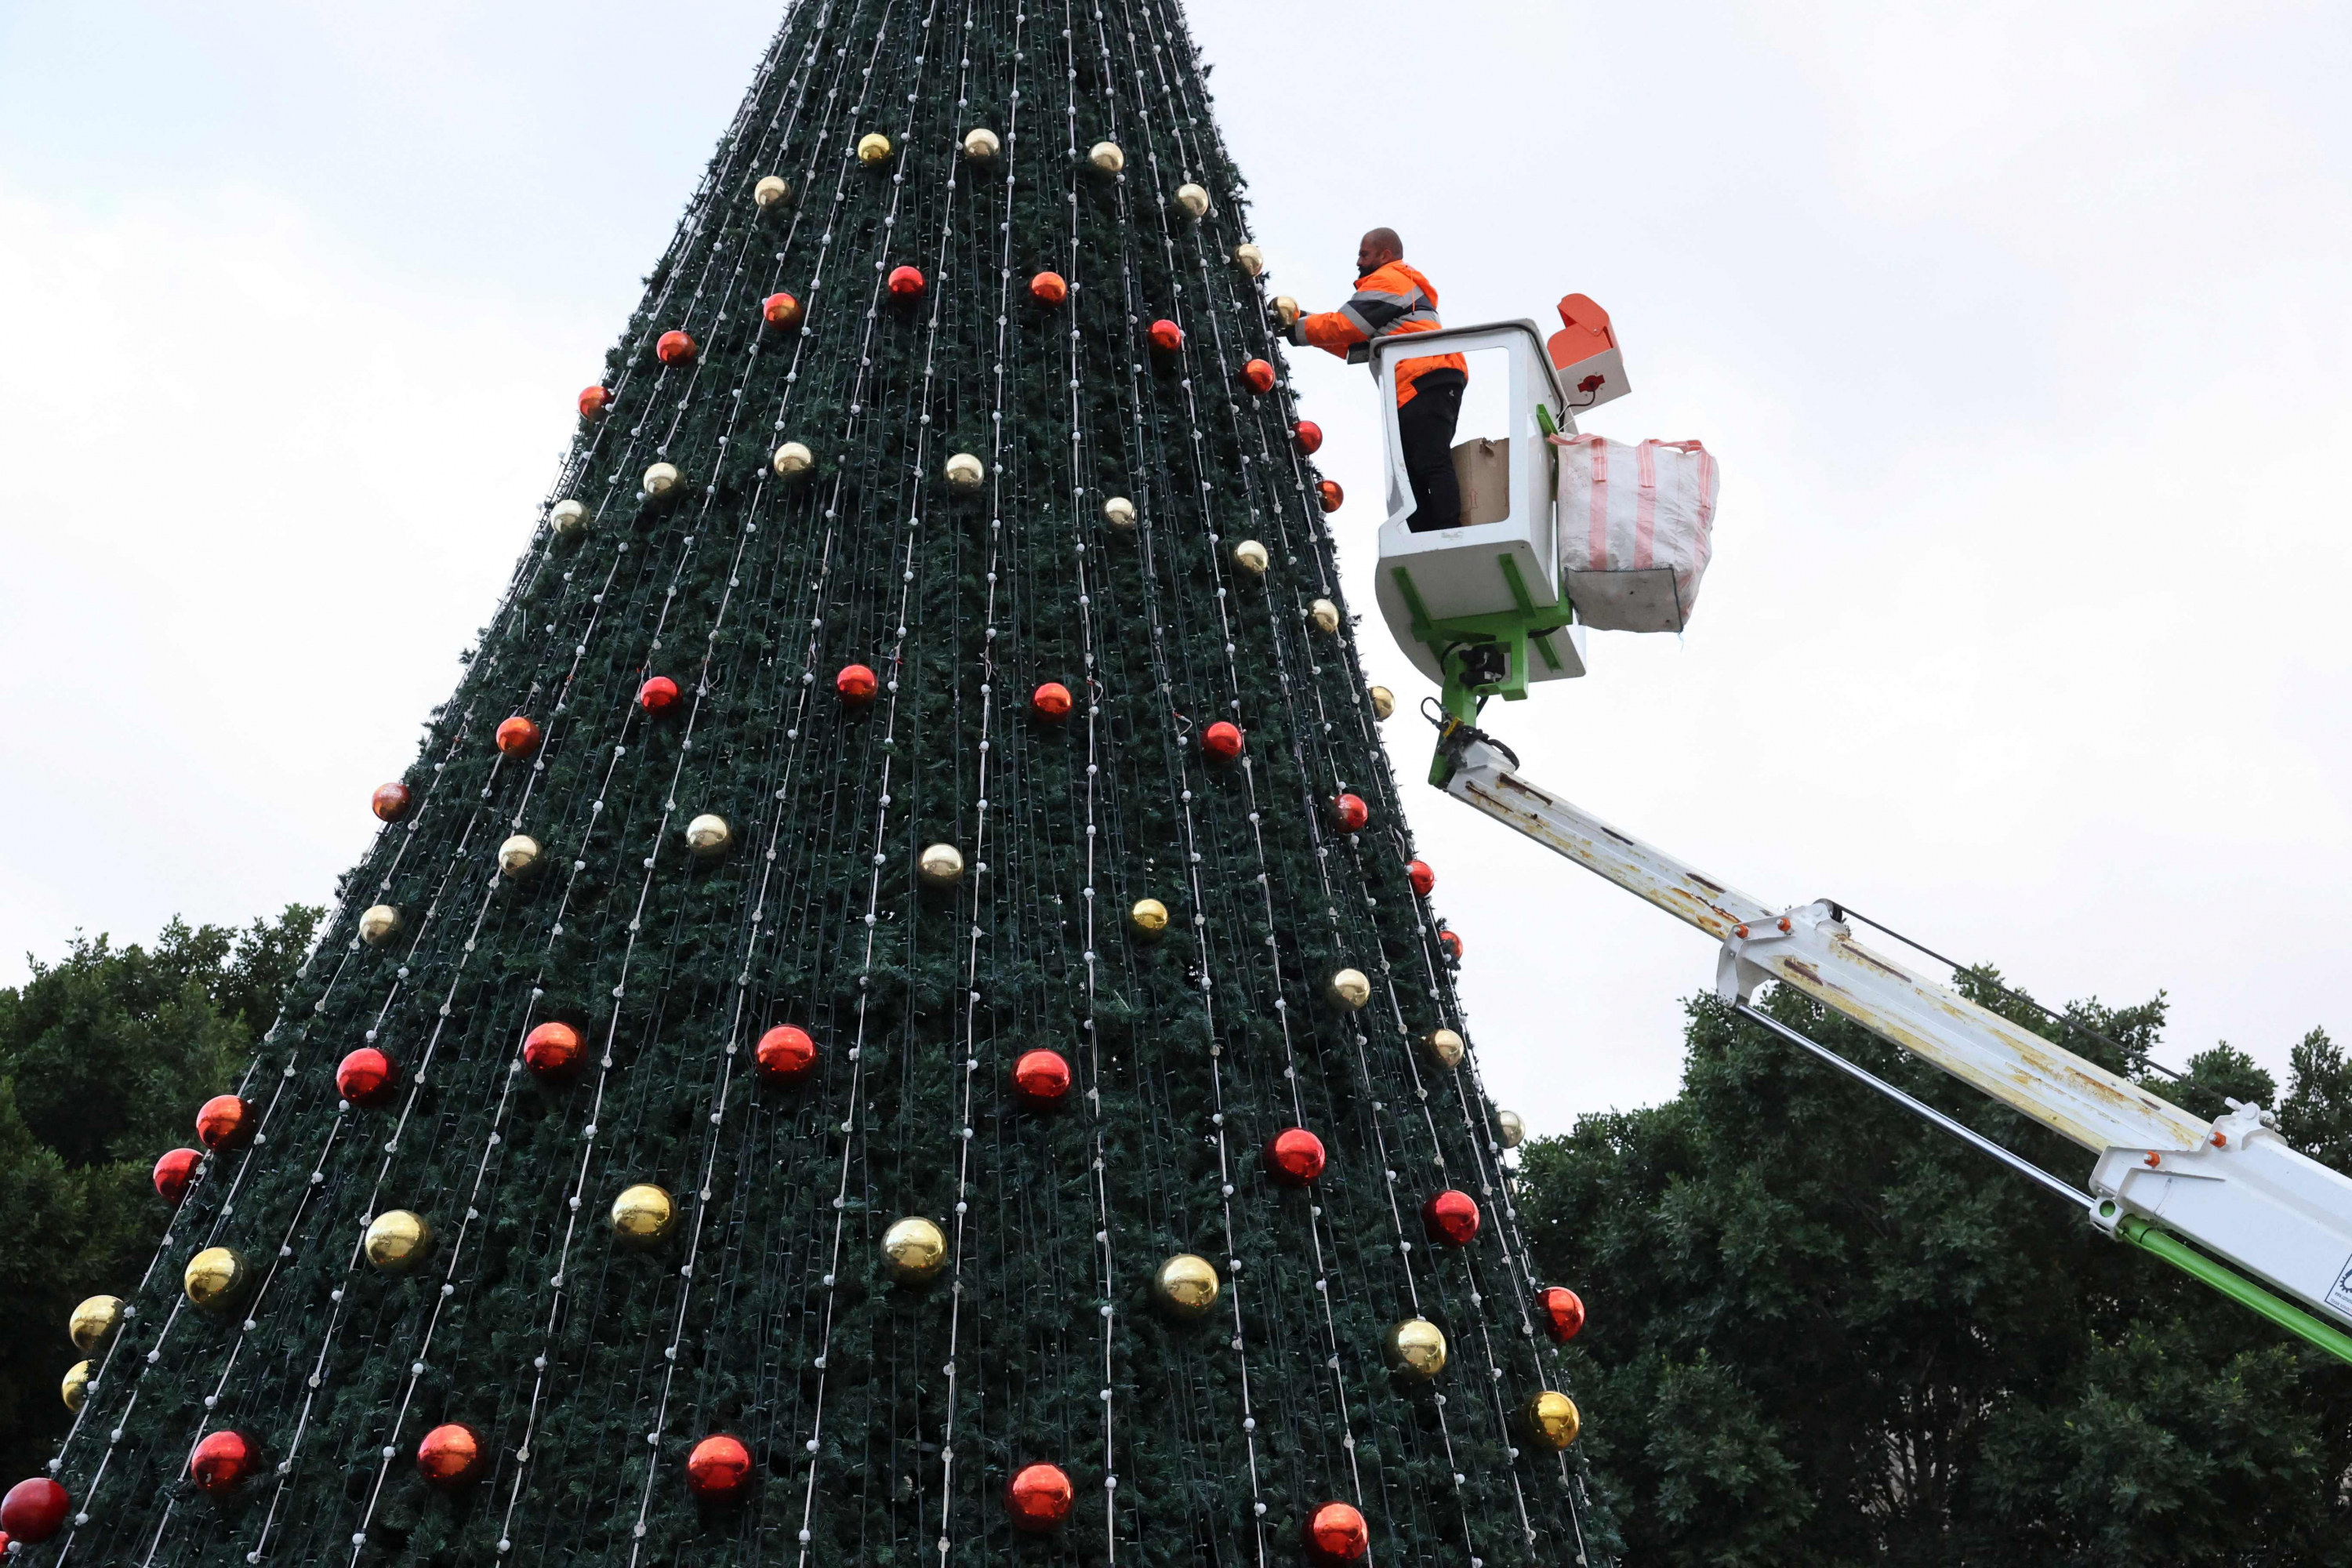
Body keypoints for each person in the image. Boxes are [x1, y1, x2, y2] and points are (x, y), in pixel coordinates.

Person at [1288, 227, 1468, 532]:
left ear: (1385, 255)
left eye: (1364, 254)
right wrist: (1301, 322)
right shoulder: (1395, 289)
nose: (1358, 261)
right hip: (1422, 381)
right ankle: (1425, 535)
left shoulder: (1390, 279)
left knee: (1428, 462)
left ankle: (1447, 532)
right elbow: (1354, 344)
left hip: (1423, 379)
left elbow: (1346, 325)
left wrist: (1296, 329)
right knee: (1412, 468)